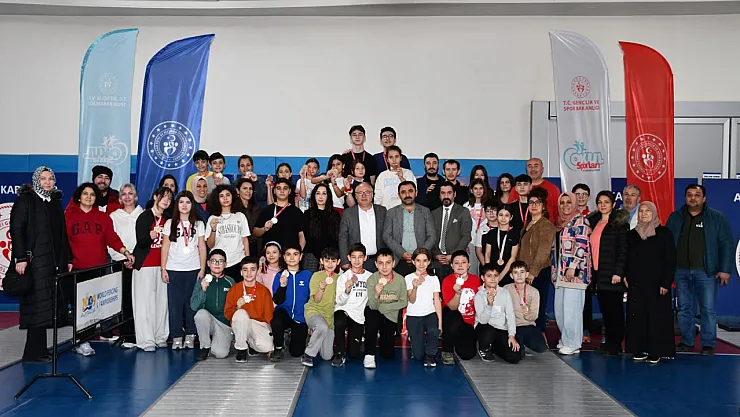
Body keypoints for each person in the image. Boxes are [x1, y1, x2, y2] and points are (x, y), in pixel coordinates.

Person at [11, 167, 72, 363]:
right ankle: (33, 353)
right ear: (36, 181)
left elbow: (62, 234)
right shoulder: (26, 200)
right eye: (43, 179)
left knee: (46, 307)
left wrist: (68, 258)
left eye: (50, 178)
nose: (47, 182)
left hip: (52, 263)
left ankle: (39, 350)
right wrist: (21, 258)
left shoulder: (54, 202)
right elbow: (17, 230)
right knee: (36, 306)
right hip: (34, 262)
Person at [65, 182, 133, 356]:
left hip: (98, 269)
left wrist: (125, 251)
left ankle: (84, 340)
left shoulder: (103, 218)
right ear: (78, 197)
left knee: (92, 308)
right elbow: (62, 241)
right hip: (76, 269)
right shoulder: (68, 216)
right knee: (79, 308)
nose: (89, 197)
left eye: (92, 194)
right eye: (85, 194)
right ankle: (80, 340)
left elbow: (112, 238)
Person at [667, 184, 734, 356]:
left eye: (697, 195)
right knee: (684, 309)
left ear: (704, 198)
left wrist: (725, 269)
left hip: (706, 272)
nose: (693, 198)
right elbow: (667, 244)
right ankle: (687, 341)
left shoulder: (716, 218)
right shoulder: (675, 217)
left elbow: (726, 244)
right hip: (681, 271)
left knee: (708, 310)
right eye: (689, 194)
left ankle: (708, 344)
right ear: (685, 197)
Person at [626, 202, 677, 364]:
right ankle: (640, 349)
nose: (644, 214)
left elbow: (670, 260)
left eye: (648, 211)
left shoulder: (664, 233)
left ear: (654, 213)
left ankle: (656, 351)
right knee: (638, 317)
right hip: (637, 284)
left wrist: (666, 283)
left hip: (657, 285)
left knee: (656, 318)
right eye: (641, 211)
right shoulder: (632, 234)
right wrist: (626, 275)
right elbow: (627, 257)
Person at [161, 191, 208, 350]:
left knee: (191, 304)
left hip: (193, 269)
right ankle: (176, 336)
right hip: (174, 269)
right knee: (175, 305)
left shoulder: (199, 224)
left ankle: (190, 335)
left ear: (192, 205)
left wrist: (202, 268)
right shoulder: (170, 223)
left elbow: (202, 247)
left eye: (188, 202)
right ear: (177, 204)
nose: (184, 205)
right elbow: (165, 247)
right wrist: (163, 269)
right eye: (181, 202)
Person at [586, 190, 629, 356]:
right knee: (606, 311)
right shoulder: (594, 222)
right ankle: (608, 343)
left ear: (613, 204)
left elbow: (623, 250)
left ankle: (615, 345)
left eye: (606, 202)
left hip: (612, 275)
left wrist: (618, 272)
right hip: (598, 274)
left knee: (614, 312)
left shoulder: (619, 224)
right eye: (600, 202)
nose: (603, 205)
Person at [132, 186, 173, 352]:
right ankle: (146, 339)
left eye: (169, 198)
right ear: (155, 197)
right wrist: (149, 237)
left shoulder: (169, 218)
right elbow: (140, 241)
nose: (166, 201)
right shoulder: (144, 216)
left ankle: (160, 336)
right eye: (163, 197)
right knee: (145, 303)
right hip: (145, 265)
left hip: (163, 266)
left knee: (162, 302)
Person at [552, 192, 591, 356]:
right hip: (560, 274)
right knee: (560, 310)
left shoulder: (581, 221)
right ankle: (566, 339)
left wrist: (573, 266)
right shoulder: (560, 223)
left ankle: (574, 343)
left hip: (575, 274)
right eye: (562, 203)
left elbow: (581, 245)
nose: (565, 205)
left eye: (569, 202)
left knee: (572, 310)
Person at [517, 188, 556, 336]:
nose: (534, 205)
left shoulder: (546, 225)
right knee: (525, 306)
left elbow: (543, 251)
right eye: (531, 202)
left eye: (537, 202)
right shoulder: (527, 224)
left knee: (537, 306)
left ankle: (539, 338)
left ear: (543, 206)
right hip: (524, 272)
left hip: (538, 272)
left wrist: (532, 273)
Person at [109, 183, 144, 347]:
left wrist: (137, 258)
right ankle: (128, 335)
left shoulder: (143, 214)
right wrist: (123, 258)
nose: (127, 197)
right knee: (125, 300)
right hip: (121, 262)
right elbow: (110, 240)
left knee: (141, 298)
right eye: (124, 194)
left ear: (135, 196)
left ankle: (142, 332)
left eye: (131, 193)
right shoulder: (114, 216)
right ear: (120, 197)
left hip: (141, 263)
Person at [363, 248, 408, 369]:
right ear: (376, 264)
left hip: (390, 315)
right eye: (381, 263)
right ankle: (369, 354)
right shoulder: (372, 279)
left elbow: (403, 301)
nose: (384, 267)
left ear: (393, 263)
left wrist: (385, 308)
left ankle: (383, 335)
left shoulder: (400, 280)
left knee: (387, 354)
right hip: (375, 312)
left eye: (388, 263)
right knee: (372, 315)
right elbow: (373, 306)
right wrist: (377, 294)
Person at [225, 256, 275, 363]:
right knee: (241, 314)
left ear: (257, 271)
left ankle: (250, 344)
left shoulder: (264, 291)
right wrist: (237, 307)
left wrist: (270, 335)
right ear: (241, 272)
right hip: (240, 323)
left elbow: (269, 315)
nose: (249, 273)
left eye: (252, 269)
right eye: (245, 270)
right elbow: (228, 315)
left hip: (258, 323)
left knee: (267, 346)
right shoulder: (234, 290)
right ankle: (241, 349)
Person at [382, 181, 437, 276]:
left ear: (416, 193)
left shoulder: (425, 211)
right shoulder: (391, 213)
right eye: (403, 192)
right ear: (399, 195)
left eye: (410, 191)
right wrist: (402, 253)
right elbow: (386, 236)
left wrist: (420, 254)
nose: (407, 195)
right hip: (398, 260)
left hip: (421, 261)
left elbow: (432, 236)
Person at [191, 249, 236, 361]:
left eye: (220, 261)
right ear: (208, 263)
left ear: (225, 264)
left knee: (220, 354)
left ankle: (223, 340)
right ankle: (205, 346)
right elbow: (194, 306)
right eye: (214, 261)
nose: (217, 264)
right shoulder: (201, 281)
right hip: (208, 320)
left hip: (224, 323)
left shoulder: (230, 282)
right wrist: (203, 290)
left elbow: (235, 307)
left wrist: (234, 331)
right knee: (200, 315)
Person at [332, 243, 372, 366]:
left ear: (365, 258)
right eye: (354, 257)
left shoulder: (370, 277)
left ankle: (358, 340)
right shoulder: (343, 277)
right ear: (349, 258)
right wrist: (347, 291)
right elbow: (339, 301)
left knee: (354, 353)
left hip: (358, 316)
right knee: (339, 321)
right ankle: (339, 352)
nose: (357, 260)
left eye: (360, 257)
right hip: (343, 310)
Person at [270, 245, 312, 361]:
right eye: (288, 254)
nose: (292, 258)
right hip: (284, 312)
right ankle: (278, 346)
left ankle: (289, 336)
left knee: (296, 353)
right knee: (276, 320)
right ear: (284, 257)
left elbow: (311, 298)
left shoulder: (307, 275)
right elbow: (277, 300)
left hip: (300, 316)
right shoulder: (279, 276)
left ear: (301, 256)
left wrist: (309, 320)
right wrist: (282, 286)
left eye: (295, 254)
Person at [440, 250, 481, 364]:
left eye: (463, 262)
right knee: (454, 316)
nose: (460, 265)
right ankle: (447, 350)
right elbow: (452, 307)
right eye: (456, 263)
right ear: (452, 265)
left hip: (468, 322)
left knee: (468, 354)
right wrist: (457, 294)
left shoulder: (476, 280)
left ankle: (458, 341)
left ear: (469, 265)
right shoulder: (447, 281)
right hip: (452, 318)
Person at [302, 247, 341, 367]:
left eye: (333, 261)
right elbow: (316, 299)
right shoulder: (316, 276)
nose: (330, 264)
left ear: (338, 262)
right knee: (321, 326)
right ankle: (308, 354)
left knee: (327, 356)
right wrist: (321, 289)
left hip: (329, 317)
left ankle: (314, 337)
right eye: (327, 260)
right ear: (321, 261)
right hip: (314, 312)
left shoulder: (339, 278)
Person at [474, 265, 521, 363]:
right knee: (487, 331)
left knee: (514, 357)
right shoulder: (479, 295)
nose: (493, 279)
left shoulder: (505, 292)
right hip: (486, 327)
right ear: (483, 278)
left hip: (502, 329)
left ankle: (495, 347)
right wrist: (489, 305)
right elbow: (482, 320)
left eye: (495, 275)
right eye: (489, 276)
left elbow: (510, 315)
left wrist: (511, 335)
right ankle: (484, 348)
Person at [404, 248, 442, 367]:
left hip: (430, 314)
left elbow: (437, 300)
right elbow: (411, 300)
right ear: (413, 262)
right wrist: (415, 287)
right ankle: (416, 347)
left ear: (429, 262)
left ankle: (430, 355)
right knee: (418, 356)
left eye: (424, 260)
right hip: (413, 316)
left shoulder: (434, 278)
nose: (421, 264)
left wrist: (440, 323)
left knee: (433, 330)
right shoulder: (408, 278)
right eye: (418, 260)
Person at [338, 182, 387, 272]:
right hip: (356, 262)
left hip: (379, 260)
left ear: (372, 194)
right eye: (360, 193)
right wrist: (345, 261)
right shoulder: (348, 213)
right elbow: (343, 238)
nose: (364, 195)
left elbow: (388, 236)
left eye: (367, 192)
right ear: (355, 196)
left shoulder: (382, 211)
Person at [206, 185, 251, 281]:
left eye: (228, 195)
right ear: (217, 199)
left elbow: (245, 240)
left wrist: (247, 261)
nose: (225, 198)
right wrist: (213, 229)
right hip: (219, 264)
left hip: (238, 261)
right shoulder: (213, 218)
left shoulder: (240, 216)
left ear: (233, 197)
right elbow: (210, 245)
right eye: (221, 196)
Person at [504, 261, 547, 358]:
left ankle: (525, 343)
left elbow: (535, 314)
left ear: (527, 274)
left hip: (528, 324)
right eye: (515, 272)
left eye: (522, 272)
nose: (519, 275)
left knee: (541, 347)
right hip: (512, 326)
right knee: (516, 354)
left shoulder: (534, 291)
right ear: (511, 275)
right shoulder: (506, 289)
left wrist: (528, 315)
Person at [432, 182, 473, 278]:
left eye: (449, 193)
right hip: (438, 262)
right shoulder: (433, 213)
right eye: (443, 193)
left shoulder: (463, 212)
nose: (446, 196)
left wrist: (454, 255)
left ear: (454, 194)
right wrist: (436, 254)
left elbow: (466, 236)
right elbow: (431, 236)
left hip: (457, 262)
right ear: (439, 195)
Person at [254, 178, 306, 250]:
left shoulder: (296, 212)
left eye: (285, 188)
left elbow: (302, 235)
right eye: (279, 188)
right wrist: (264, 229)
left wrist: (299, 252)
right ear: (274, 191)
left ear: (289, 191)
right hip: (271, 254)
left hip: (290, 254)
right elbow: (255, 232)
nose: (282, 191)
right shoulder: (267, 210)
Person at [572, 183, 595, 343]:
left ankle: (585, 328)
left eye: (584, 194)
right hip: (569, 264)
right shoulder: (567, 215)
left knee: (585, 297)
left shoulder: (595, 217)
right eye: (577, 194)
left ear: (589, 197)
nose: (580, 197)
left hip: (586, 264)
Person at [509, 158, 561, 224]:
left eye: (536, 166)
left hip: (546, 227)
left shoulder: (553, 188)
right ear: (526, 169)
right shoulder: (516, 189)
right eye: (529, 166)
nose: (533, 169)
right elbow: (508, 212)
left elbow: (557, 212)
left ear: (542, 169)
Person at [303, 184, 341, 272]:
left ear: (328, 196)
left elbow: (335, 238)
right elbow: (308, 238)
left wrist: (326, 258)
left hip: (330, 257)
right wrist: (320, 258)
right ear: (314, 196)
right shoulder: (308, 214)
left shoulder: (335, 214)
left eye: (324, 193)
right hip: (312, 255)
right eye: (318, 193)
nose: (320, 196)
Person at [483, 204, 519, 286]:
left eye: (506, 215)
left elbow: (513, 257)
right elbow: (487, 254)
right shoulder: (491, 233)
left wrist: (500, 276)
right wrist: (490, 273)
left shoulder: (515, 234)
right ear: (497, 216)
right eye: (501, 215)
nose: (503, 218)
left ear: (511, 217)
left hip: (508, 273)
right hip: (492, 274)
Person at [463, 179, 493, 274]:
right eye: (475, 188)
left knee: (486, 270)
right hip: (471, 243)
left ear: (484, 190)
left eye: (481, 188)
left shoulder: (489, 205)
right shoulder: (466, 206)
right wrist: (465, 244)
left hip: (486, 242)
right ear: (471, 190)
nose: (478, 191)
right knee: (472, 271)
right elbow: (462, 227)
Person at [235, 177, 261, 257]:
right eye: (245, 188)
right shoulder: (233, 209)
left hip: (256, 246)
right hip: (239, 246)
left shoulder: (257, 208)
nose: (248, 191)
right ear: (238, 191)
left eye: (250, 189)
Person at [474, 202, 498, 268]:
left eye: (494, 210)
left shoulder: (504, 228)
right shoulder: (481, 229)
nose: (491, 213)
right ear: (484, 213)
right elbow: (479, 251)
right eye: (488, 211)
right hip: (486, 264)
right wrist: (486, 267)